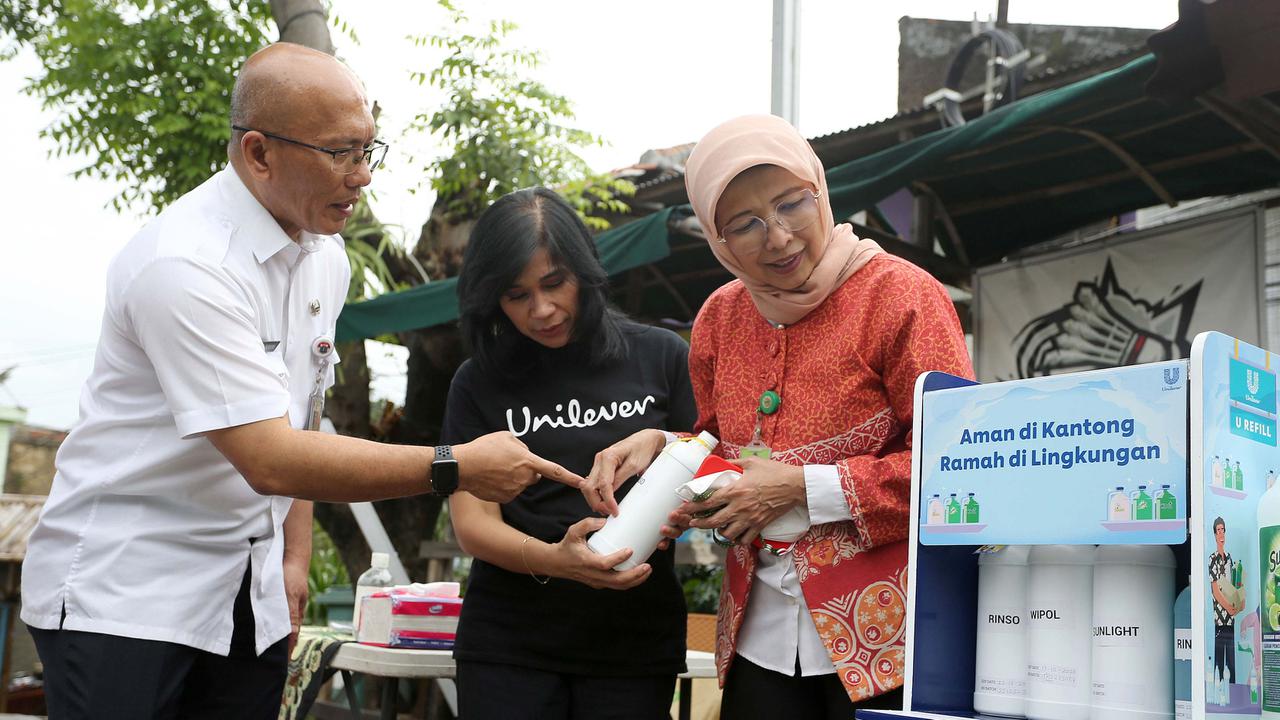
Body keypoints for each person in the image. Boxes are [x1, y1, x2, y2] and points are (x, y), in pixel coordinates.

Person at [20, 44, 581, 720]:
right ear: (259, 153)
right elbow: (269, 455)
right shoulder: (185, 265)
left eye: (371, 149)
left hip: (244, 594)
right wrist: (454, 467)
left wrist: (294, 557)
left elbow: (304, 411)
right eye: (341, 153)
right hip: (127, 591)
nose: (364, 176)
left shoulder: (325, 257)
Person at [584, 114, 973, 718]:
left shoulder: (902, 296)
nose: (779, 237)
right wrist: (665, 451)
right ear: (716, 237)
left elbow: (956, 470)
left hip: (892, 636)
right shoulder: (720, 317)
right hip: (757, 636)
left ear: (820, 188)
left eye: (793, 203)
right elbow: (722, 450)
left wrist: (800, 488)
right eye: (744, 225)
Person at [442, 187, 698, 720]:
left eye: (555, 283)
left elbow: (722, 467)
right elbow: (471, 524)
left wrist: (671, 462)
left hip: (634, 643)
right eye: (516, 295)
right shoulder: (477, 382)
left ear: (584, 269)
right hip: (509, 646)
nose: (542, 309)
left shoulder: (662, 356)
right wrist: (556, 562)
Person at [1210, 516, 1241, 683]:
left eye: (1223, 529)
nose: (1221, 533)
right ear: (1214, 534)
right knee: (1219, 659)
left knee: (1231, 656)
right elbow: (1215, 590)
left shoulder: (1229, 558)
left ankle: (1233, 690)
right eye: (1218, 530)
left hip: (1231, 617)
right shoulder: (1212, 559)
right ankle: (1219, 690)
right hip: (1219, 617)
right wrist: (1228, 607)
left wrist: (1236, 603)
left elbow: (1233, 585)